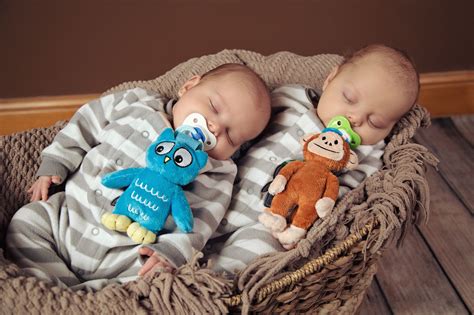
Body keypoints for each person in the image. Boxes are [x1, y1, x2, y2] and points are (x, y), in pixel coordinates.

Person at [5, 63, 271, 289]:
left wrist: (170, 253)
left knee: (150, 282)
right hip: (70, 218)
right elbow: (85, 123)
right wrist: (56, 162)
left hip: (129, 257)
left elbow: (199, 224)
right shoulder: (135, 103)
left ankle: (85, 299)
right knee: (27, 221)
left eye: (232, 136)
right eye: (213, 106)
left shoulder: (216, 172)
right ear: (189, 87)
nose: (215, 127)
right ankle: (52, 287)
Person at [204, 44, 420, 273]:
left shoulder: (367, 156)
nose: (355, 118)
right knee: (190, 214)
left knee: (255, 255)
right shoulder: (291, 98)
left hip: (273, 225)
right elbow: (247, 119)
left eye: (375, 122)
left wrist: (312, 225)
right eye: (348, 98)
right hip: (227, 189)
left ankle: (212, 284)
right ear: (330, 79)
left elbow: (350, 198)